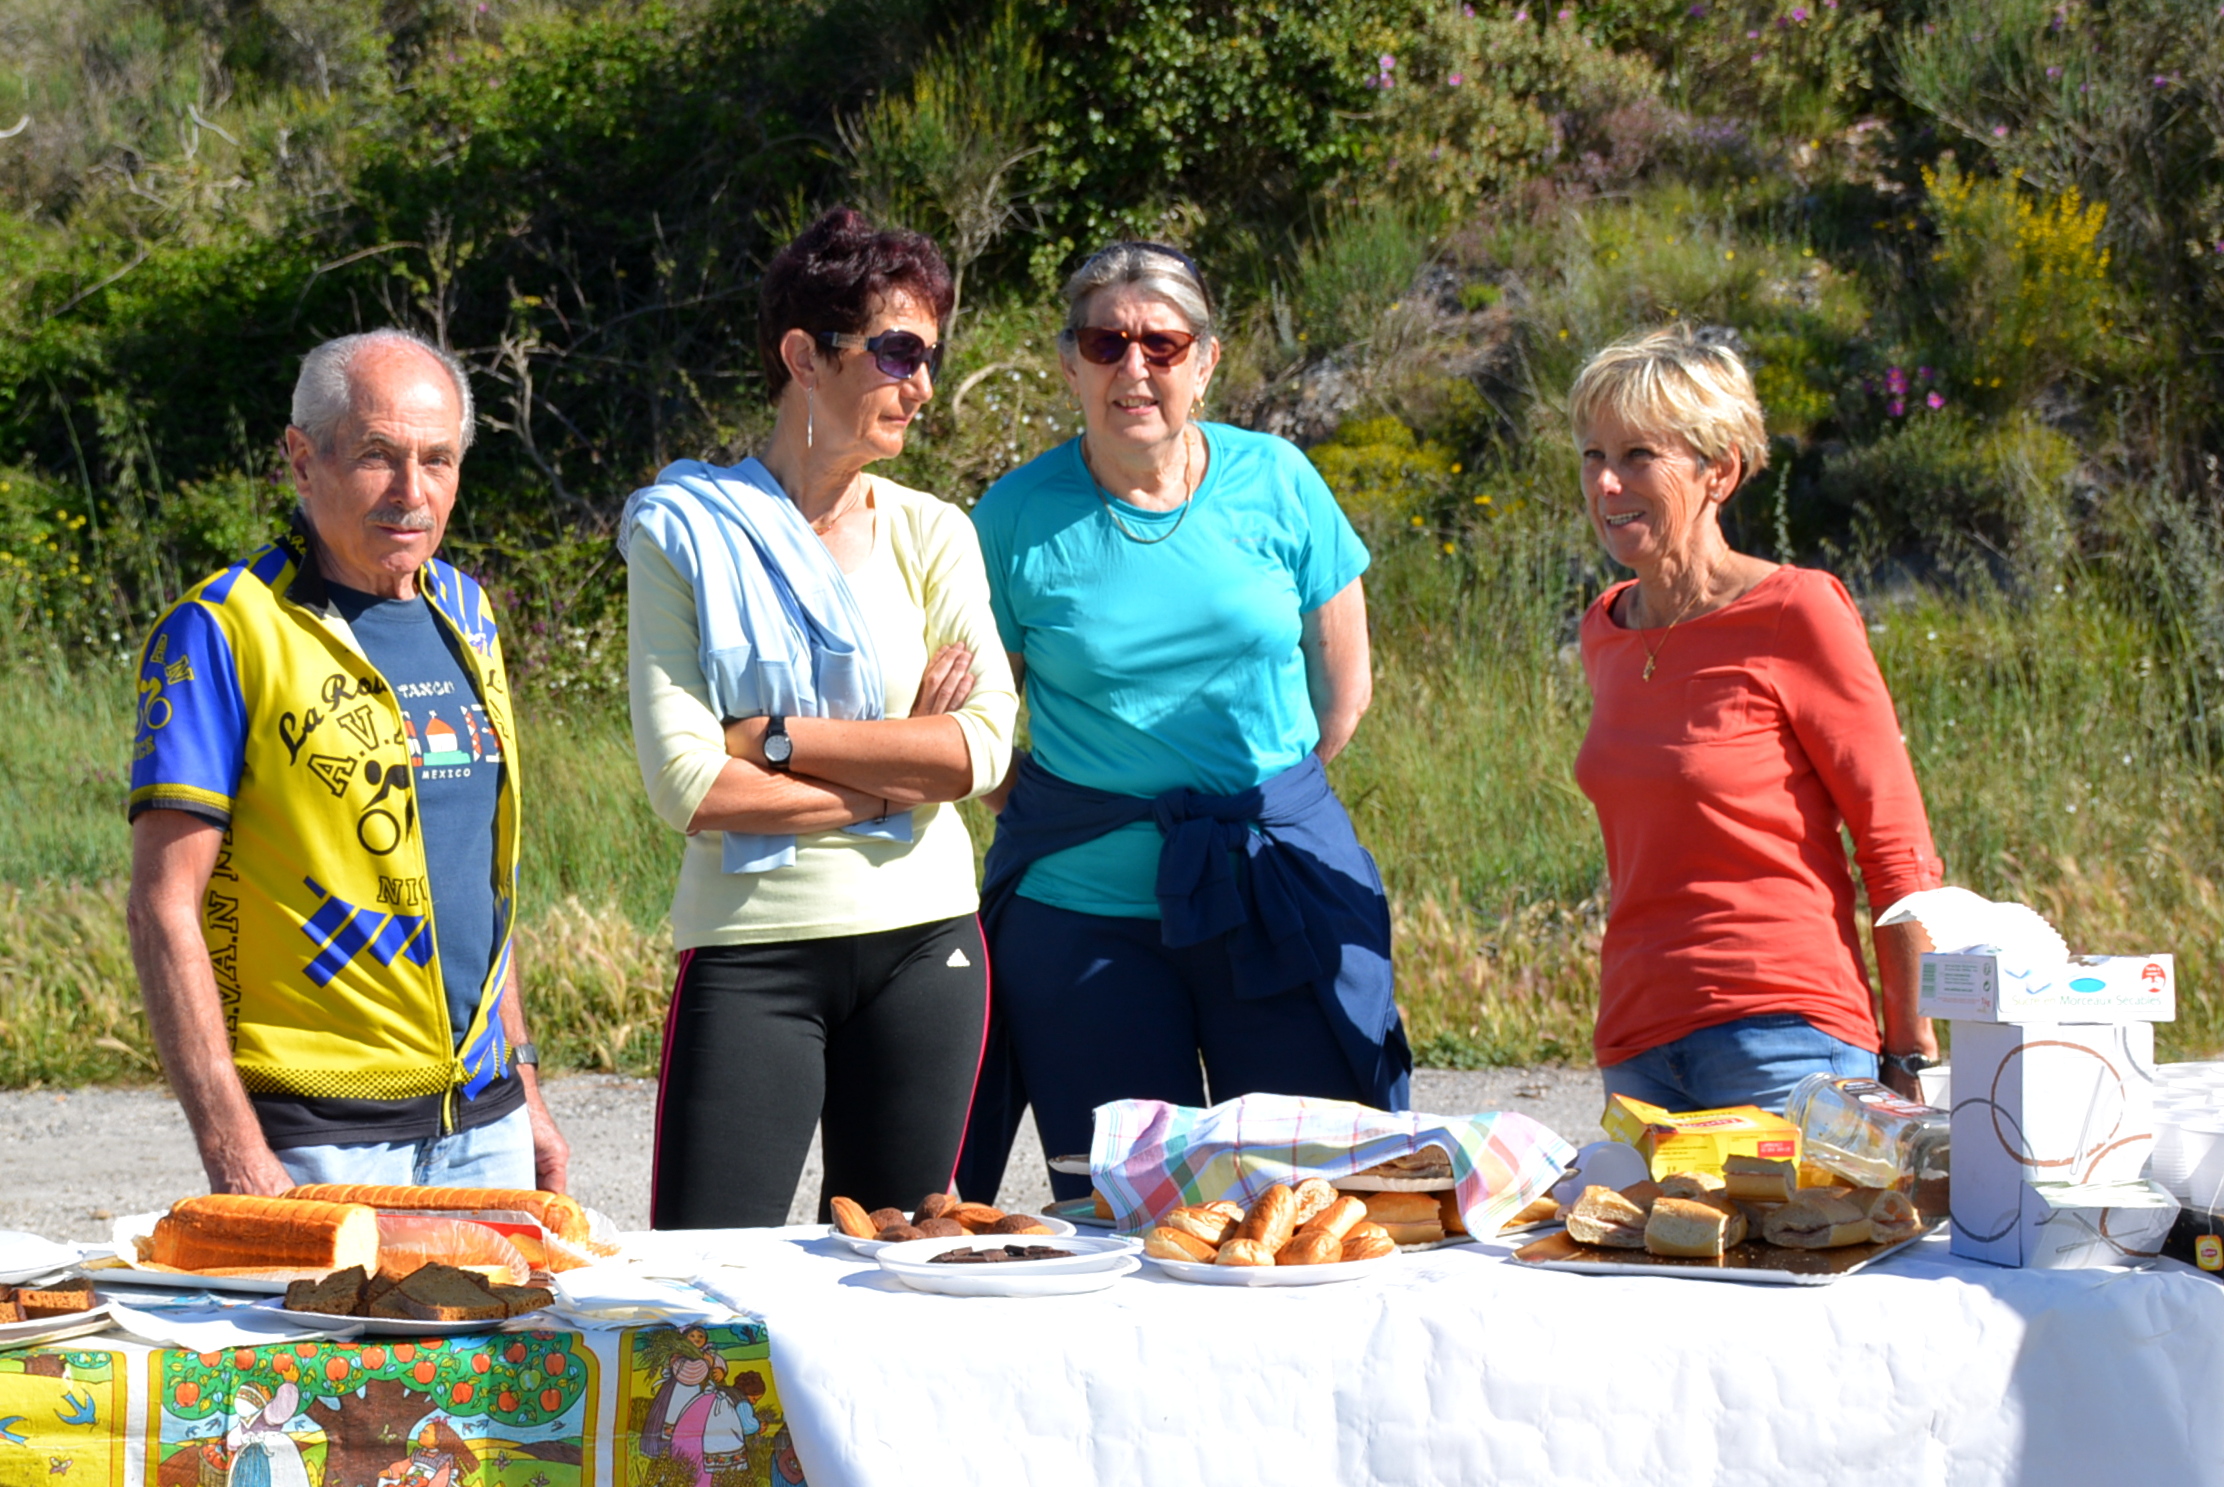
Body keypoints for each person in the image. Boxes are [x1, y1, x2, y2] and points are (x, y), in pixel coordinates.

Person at [957, 241, 1408, 1203]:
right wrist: (1060, 810)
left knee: (1304, 1198)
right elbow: (976, 726)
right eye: (1106, 342)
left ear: (1204, 361)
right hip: (1084, 918)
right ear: (1070, 362)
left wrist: (1259, 798)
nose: (1135, 368)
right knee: (1129, 1210)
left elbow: (1343, 692)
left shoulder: (1279, 480)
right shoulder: (1012, 517)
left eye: (1161, 344)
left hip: (1269, 897)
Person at [625, 208, 1017, 1228]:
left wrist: (779, 739)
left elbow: (978, 748)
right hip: (751, 951)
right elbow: (689, 784)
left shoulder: (934, 531)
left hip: (926, 948)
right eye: (898, 353)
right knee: (706, 1284)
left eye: (929, 356)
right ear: (804, 356)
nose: (921, 386)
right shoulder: (681, 534)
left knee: (904, 1273)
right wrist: (897, 777)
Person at [127, 329, 568, 1194]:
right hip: (319, 1137)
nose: (412, 492)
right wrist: (234, 1149)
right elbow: (161, 907)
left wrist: (526, 1086)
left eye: (437, 460)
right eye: (377, 456)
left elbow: (477, 881)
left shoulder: (468, 612)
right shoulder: (222, 629)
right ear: (303, 459)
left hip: (487, 1122)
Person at [1569, 323, 1946, 1113]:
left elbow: (1894, 843)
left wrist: (1911, 1048)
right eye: (1593, 454)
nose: (1606, 482)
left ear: (1720, 471)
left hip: (1785, 1036)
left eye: (1638, 456)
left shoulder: (1795, 611)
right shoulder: (1604, 628)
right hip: (1636, 1045)